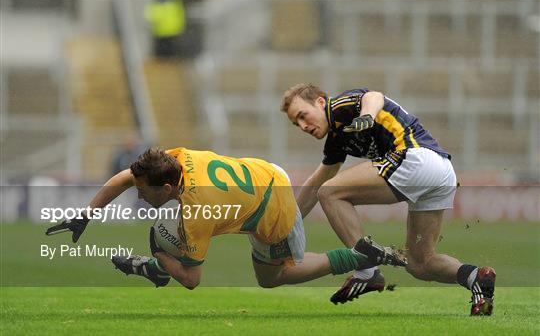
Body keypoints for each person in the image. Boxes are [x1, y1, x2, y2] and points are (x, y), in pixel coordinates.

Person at [46, 147, 406, 290]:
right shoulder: (175, 158)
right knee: (181, 247)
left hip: (271, 213)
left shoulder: (197, 212)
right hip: (262, 175)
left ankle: (362, 256)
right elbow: (128, 176)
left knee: (274, 276)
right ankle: (154, 270)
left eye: (144, 191)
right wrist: (86, 214)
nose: (138, 194)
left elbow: (191, 279)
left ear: (169, 187)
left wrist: (158, 251)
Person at [280, 83, 496, 316]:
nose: (302, 126)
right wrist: (288, 223)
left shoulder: (337, 107)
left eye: (303, 115)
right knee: (420, 263)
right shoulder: (336, 139)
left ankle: (367, 271)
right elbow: (316, 181)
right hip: (440, 171)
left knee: (330, 192)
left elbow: (373, 96)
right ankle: (477, 279)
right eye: (296, 123)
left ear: (320, 102)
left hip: (415, 158)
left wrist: (366, 117)